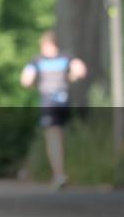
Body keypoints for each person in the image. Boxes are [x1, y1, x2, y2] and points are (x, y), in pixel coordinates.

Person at [20, 30, 87, 190]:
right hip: (64, 101)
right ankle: (72, 169)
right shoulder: (66, 58)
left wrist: (37, 84)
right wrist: (70, 78)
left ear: (45, 44)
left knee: (53, 137)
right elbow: (81, 70)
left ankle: (59, 174)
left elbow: (25, 80)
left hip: (48, 103)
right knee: (64, 135)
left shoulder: (38, 61)